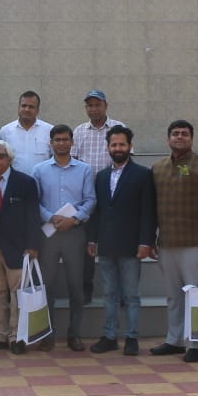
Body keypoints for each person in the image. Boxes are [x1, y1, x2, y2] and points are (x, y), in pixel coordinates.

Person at [150, 120, 198, 364]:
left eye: (184, 134)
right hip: (166, 243)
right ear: (168, 139)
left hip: (195, 243)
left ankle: (196, 344)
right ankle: (174, 340)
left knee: (195, 295)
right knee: (173, 296)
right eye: (175, 133)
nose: (179, 137)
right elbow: (151, 208)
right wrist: (150, 239)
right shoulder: (157, 168)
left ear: (191, 138)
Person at [87, 126, 157, 356]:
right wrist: (92, 239)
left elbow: (148, 211)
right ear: (108, 147)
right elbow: (97, 211)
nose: (118, 148)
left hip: (131, 245)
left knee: (131, 296)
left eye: (122, 144)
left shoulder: (142, 175)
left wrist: (146, 242)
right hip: (106, 245)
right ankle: (109, 336)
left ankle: (131, 337)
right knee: (109, 294)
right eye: (114, 144)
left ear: (130, 146)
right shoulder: (101, 176)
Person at [31, 124, 96, 352]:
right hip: (48, 234)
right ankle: (47, 334)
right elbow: (34, 201)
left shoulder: (84, 169)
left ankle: (74, 334)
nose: (61, 143)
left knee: (76, 286)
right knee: (46, 285)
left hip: (74, 234)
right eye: (57, 140)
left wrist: (75, 219)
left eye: (65, 139)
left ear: (72, 142)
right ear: (51, 143)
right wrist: (50, 217)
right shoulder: (39, 170)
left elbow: (90, 200)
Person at [0, 140, 42, 354]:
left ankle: (16, 337)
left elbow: (33, 216)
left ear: (10, 159)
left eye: (1, 156)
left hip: (17, 248)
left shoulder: (25, 182)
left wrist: (32, 244)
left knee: (18, 294)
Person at [71, 89, 125, 304]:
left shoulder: (118, 128)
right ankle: (86, 289)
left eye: (97, 104)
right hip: (86, 198)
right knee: (86, 247)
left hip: (113, 197)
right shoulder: (79, 131)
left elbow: (125, 160)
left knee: (117, 245)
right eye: (89, 105)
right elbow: (73, 163)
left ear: (106, 106)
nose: (93, 109)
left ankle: (121, 292)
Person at [0, 91, 53, 174]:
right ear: (18, 107)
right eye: (24, 106)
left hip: (41, 180)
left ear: (37, 110)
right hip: (14, 180)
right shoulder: (5, 131)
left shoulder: (49, 130)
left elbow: (55, 158)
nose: (27, 109)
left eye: (31, 107)